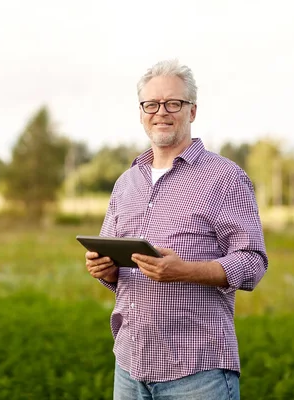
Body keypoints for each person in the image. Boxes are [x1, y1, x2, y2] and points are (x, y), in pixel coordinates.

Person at [84, 59, 268, 400]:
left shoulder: (226, 178)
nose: (161, 112)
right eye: (151, 104)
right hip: (129, 364)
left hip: (197, 371)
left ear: (192, 111)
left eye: (173, 103)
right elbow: (113, 263)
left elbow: (253, 263)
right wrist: (103, 269)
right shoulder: (126, 183)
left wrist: (186, 271)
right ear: (141, 112)